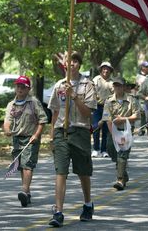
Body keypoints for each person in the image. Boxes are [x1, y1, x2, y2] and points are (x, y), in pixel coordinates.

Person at [47, 51, 97, 227]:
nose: (72, 64)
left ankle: (88, 204)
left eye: (75, 61)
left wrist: (74, 96)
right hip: (62, 132)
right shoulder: (59, 85)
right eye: (69, 61)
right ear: (65, 65)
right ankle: (58, 211)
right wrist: (52, 136)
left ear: (79, 64)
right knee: (61, 171)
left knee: (83, 172)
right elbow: (54, 112)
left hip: (80, 131)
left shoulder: (87, 85)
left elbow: (88, 113)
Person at [3, 75, 48, 207]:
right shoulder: (11, 104)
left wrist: (37, 134)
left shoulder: (34, 102)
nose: (20, 89)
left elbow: (42, 120)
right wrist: (7, 130)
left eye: (23, 87)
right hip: (17, 139)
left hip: (30, 138)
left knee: (28, 164)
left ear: (28, 89)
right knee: (21, 166)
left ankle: (23, 190)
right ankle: (26, 192)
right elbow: (7, 121)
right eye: (18, 86)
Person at [102, 76, 139, 190]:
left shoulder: (131, 99)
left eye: (119, 85)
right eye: (115, 85)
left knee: (122, 155)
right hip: (113, 131)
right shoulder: (108, 100)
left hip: (126, 131)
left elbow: (136, 116)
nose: (117, 88)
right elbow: (107, 118)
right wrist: (113, 134)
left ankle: (120, 180)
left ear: (124, 87)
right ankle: (124, 174)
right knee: (112, 152)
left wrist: (123, 119)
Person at [91, 62, 114, 158]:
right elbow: (92, 91)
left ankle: (104, 150)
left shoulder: (112, 82)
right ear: (101, 70)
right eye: (104, 68)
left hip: (107, 107)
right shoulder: (96, 79)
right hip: (97, 106)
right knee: (96, 127)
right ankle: (96, 149)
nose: (106, 70)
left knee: (105, 129)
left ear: (110, 71)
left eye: (108, 69)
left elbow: (114, 95)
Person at [135, 61, 148, 136]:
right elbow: (136, 88)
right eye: (145, 67)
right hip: (142, 97)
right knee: (143, 114)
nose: (147, 68)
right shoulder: (138, 76)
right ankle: (142, 129)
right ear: (142, 67)